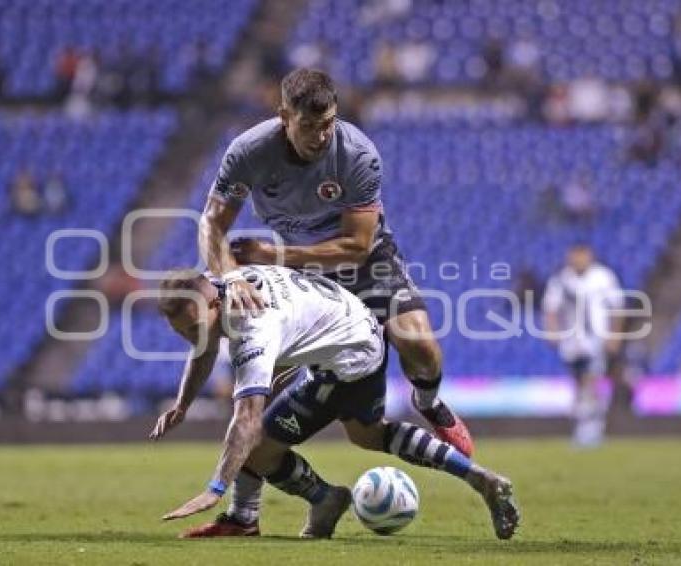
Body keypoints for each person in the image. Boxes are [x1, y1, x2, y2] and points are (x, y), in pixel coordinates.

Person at [195, 67, 475, 535]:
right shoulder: (248, 153)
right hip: (300, 276)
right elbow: (211, 226)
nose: (322, 136)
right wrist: (228, 281)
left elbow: (357, 246)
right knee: (259, 382)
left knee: (420, 345)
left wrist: (274, 253)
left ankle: (429, 402)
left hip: (365, 263)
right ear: (284, 115)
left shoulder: (357, 153)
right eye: (310, 126)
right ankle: (244, 515)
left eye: (329, 123)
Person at [150, 266, 519, 540]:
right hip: (353, 331)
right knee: (368, 435)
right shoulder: (223, 282)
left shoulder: (252, 328)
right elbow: (205, 348)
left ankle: (310, 502)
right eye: (182, 332)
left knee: (256, 446)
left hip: (346, 359)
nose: (191, 337)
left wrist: (214, 489)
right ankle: (477, 477)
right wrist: (183, 404)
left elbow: (246, 419)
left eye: (195, 326)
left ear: (214, 303)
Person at [542, 244, 624, 447]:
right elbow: (551, 308)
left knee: (591, 381)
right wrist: (552, 331)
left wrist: (614, 336)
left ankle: (590, 429)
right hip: (572, 342)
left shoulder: (603, 277)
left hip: (596, 339)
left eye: (581, 256)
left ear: (589, 256)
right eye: (574, 256)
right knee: (579, 384)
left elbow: (617, 307)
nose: (578, 260)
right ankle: (586, 425)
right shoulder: (561, 279)